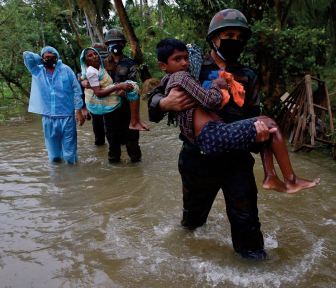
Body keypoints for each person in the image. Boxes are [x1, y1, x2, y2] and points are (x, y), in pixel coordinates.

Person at [148, 8, 276, 260]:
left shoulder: (247, 74)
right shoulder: (189, 66)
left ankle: (255, 270)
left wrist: (259, 138)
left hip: (237, 160)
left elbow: (253, 113)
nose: (235, 41)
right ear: (214, 39)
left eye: (240, 37)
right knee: (192, 223)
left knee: (247, 223)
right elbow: (153, 101)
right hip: (197, 160)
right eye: (229, 35)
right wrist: (163, 104)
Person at [156, 38, 320, 194]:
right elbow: (209, 100)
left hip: (215, 144)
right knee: (271, 125)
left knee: (264, 124)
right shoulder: (186, 74)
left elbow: (253, 113)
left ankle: (271, 176)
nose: (184, 62)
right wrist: (216, 85)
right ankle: (290, 180)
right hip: (211, 137)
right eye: (177, 59)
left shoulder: (169, 79)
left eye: (185, 58)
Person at [83, 28, 143, 162]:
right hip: (108, 109)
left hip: (127, 107)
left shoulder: (130, 63)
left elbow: (134, 85)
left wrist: (123, 91)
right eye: (112, 42)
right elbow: (87, 79)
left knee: (132, 142)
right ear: (107, 44)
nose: (116, 45)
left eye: (119, 42)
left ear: (123, 44)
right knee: (112, 142)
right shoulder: (101, 64)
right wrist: (85, 83)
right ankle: (114, 170)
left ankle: (136, 171)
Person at [23, 46, 84, 164]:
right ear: (42, 59)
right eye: (46, 57)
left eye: (52, 57)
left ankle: (74, 178)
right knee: (54, 156)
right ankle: (58, 178)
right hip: (48, 118)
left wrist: (78, 110)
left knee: (69, 153)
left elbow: (76, 90)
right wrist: (40, 59)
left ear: (57, 58)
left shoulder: (66, 70)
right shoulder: (37, 70)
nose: (49, 59)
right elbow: (26, 55)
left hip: (67, 116)